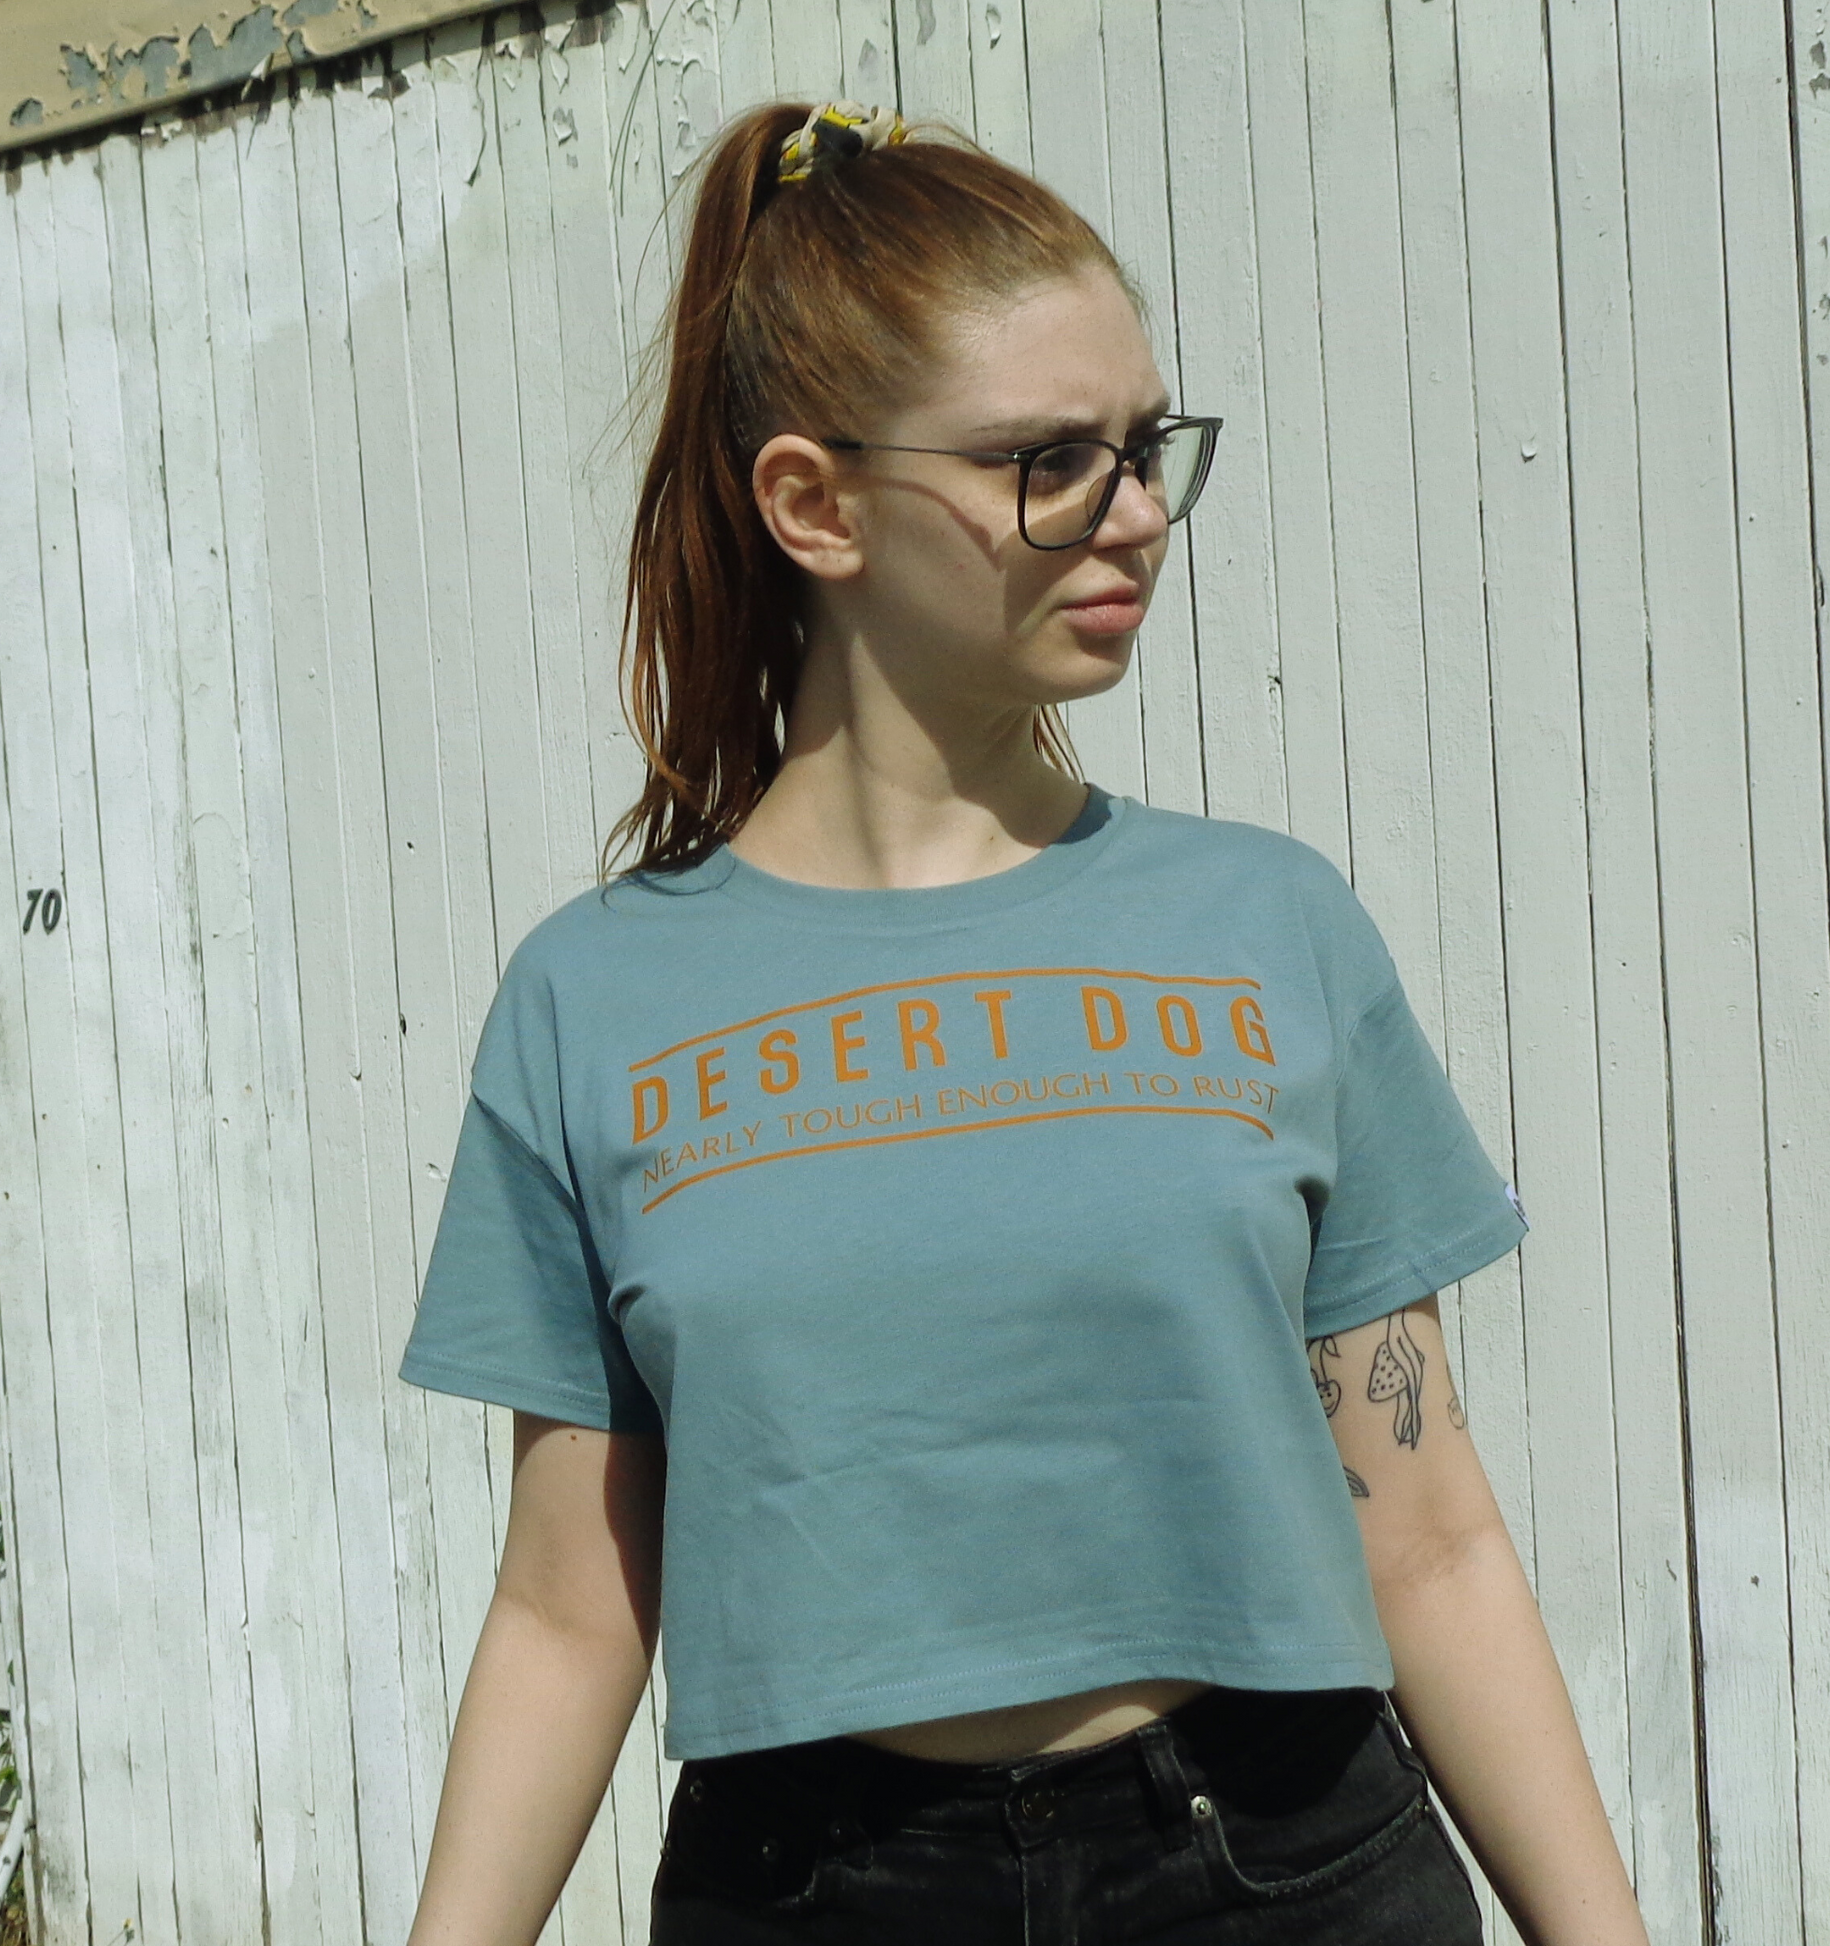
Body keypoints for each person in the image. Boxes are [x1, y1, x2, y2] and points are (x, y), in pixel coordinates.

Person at [399, 98, 1650, 1946]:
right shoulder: (593, 1002)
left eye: (1144, 447)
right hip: (816, 1886)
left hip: (1278, 1862)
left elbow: (1426, 1520)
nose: (1134, 510)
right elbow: (571, 1606)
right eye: (1045, 460)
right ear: (815, 503)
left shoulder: (1267, 926)